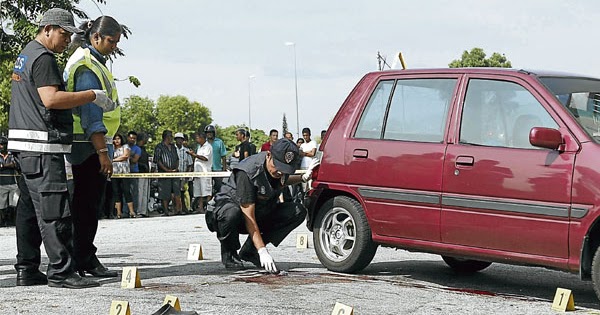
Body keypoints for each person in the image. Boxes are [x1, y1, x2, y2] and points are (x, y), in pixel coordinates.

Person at [9, 8, 114, 289]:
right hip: (42, 146)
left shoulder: (26, 54)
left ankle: (27, 268)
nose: (67, 41)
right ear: (47, 29)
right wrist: (93, 96)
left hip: (24, 146)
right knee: (54, 209)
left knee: (30, 211)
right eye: (64, 34)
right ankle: (61, 271)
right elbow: (51, 99)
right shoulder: (43, 58)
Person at [64, 15, 123, 278]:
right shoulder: (87, 66)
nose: (114, 46)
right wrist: (102, 152)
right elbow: (91, 115)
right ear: (95, 37)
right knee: (87, 207)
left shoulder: (94, 61)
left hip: (88, 145)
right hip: (88, 146)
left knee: (85, 206)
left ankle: (82, 256)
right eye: (111, 41)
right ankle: (83, 258)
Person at [212, 139, 319, 271]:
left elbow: (282, 181)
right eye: (278, 167)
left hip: (259, 209)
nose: (281, 172)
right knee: (230, 214)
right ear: (268, 155)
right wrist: (263, 250)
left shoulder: (277, 169)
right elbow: (249, 217)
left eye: (285, 169)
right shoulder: (248, 172)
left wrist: (303, 177)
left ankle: (250, 251)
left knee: (297, 211)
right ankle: (229, 253)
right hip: (234, 212)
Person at [154, 130, 182, 215]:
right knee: (165, 193)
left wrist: (176, 168)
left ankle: (178, 210)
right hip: (164, 173)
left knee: (177, 192)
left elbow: (177, 158)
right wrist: (166, 170)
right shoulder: (159, 147)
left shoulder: (173, 147)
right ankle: (166, 211)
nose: (172, 138)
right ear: (166, 137)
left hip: (174, 172)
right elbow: (157, 160)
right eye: (170, 136)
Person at [112, 134, 135, 218]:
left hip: (124, 172)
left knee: (126, 191)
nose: (117, 141)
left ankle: (131, 212)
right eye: (115, 139)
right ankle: (119, 213)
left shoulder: (125, 146)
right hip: (114, 173)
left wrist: (113, 160)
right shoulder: (112, 148)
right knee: (116, 192)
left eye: (118, 139)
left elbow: (125, 156)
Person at [189, 132, 212, 213]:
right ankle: (200, 208)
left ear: (202, 138)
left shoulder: (208, 147)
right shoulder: (199, 147)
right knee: (199, 192)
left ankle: (208, 208)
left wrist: (194, 155)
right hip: (198, 172)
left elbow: (205, 158)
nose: (196, 139)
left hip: (205, 172)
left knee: (207, 191)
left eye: (197, 138)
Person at [204, 125, 227, 195]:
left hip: (217, 169)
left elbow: (223, 156)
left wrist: (224, 169)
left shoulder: (219, 142)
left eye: (211, 132)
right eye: (208, 132)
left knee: (219, 187)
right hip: (206, 169)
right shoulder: (203, 143)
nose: (209, 134)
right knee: (207, 189)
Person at [0, 137, 19, 226]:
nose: (2, 146)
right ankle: (3, 222)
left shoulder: (12, 155)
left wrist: (3, 166)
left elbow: (16, 164)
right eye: (0, 144)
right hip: (1, 184)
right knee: (2, 205)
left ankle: (12, 222)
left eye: (4, 144)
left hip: (13, 183)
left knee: (14, 204)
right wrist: (9, 165)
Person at [174, 132, 193, 213]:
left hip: (184, 175)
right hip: (174, 175)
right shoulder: (172, 149)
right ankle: (176, 209)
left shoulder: (186, 151)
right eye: (178, 139)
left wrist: (187, 175)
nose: (179, 141)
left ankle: (185, 208)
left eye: (181, 139)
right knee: (175, 193)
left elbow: (190, 164)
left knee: (183, 192)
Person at [136, 132, 150, 217]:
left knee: (146, 192)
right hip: (139, 172)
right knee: (140, 192)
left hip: (146, 173)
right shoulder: (136, 148)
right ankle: (138, 210)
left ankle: (144, 211)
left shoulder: (144, 149)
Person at [127, 131, 141, 214]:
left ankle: (134, 210)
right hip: (124, 172)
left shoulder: (137, 149)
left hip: (134, 172)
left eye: (134, 138)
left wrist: (125, 157)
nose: (132, 140)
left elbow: (135, 160)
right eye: (131, 138)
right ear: (128, 137)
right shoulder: (123, 147)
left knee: (134, 192)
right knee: (125, 192)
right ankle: (125, 211)